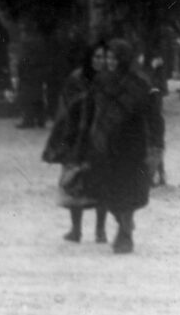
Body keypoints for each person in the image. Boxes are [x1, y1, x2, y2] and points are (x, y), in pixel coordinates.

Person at [86, 38, 153, 254]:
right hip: (106, 142)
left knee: (127, 189)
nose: (110, 62)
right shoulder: (101, 80)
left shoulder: (139, 83)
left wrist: (156, 144)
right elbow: (94, 110)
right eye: (108, 58)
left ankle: (125, 234)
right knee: (109, 191)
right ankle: (123, 223)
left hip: (131, 143)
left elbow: (152, 115)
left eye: (115, 58)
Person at [43, 41, 108, 244]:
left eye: (103, 57)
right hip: (76, 137)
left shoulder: (110, 79)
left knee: (101, 184)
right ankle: (76, 229)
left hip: (100, 137)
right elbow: (65, 108)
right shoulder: (76, 79)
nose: (100, 61)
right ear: (90, 58)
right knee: (74, 182)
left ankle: (100, 230)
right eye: (96, 57)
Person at [15, 21, 49, 128]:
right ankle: (41, 120)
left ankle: (28, 121)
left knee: (27, 98)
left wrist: (20, 71)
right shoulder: (40, 40)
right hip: (39, 72)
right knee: (38, 96)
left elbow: (22, 59)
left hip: (28, 73)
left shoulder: (26, 42)